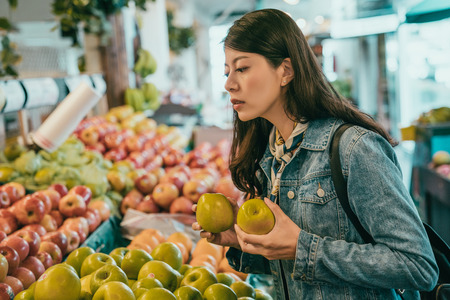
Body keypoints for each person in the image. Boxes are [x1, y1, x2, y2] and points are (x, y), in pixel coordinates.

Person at [192, 8, 438, 300]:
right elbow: (297, 271)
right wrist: (242, 242)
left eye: (242, 68)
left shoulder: (354, 148)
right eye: (227, 71)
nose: (229, 83)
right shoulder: (271, 155)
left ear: (286, 70)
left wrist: (303, 248)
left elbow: (418, 266)